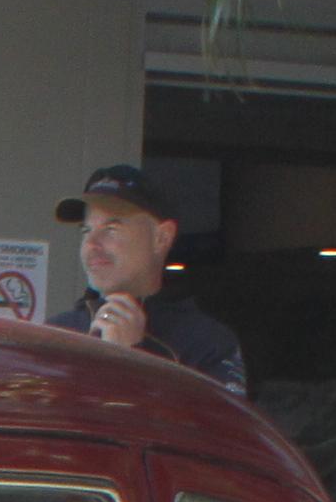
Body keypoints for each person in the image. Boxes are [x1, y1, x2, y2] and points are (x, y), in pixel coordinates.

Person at [53, 165, 246, 392]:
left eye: (111, 228)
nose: (91, 244)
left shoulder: (208, 343)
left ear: (162, 237)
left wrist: (129, 360)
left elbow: (218, 417)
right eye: (86, 231)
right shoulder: (55, 335)